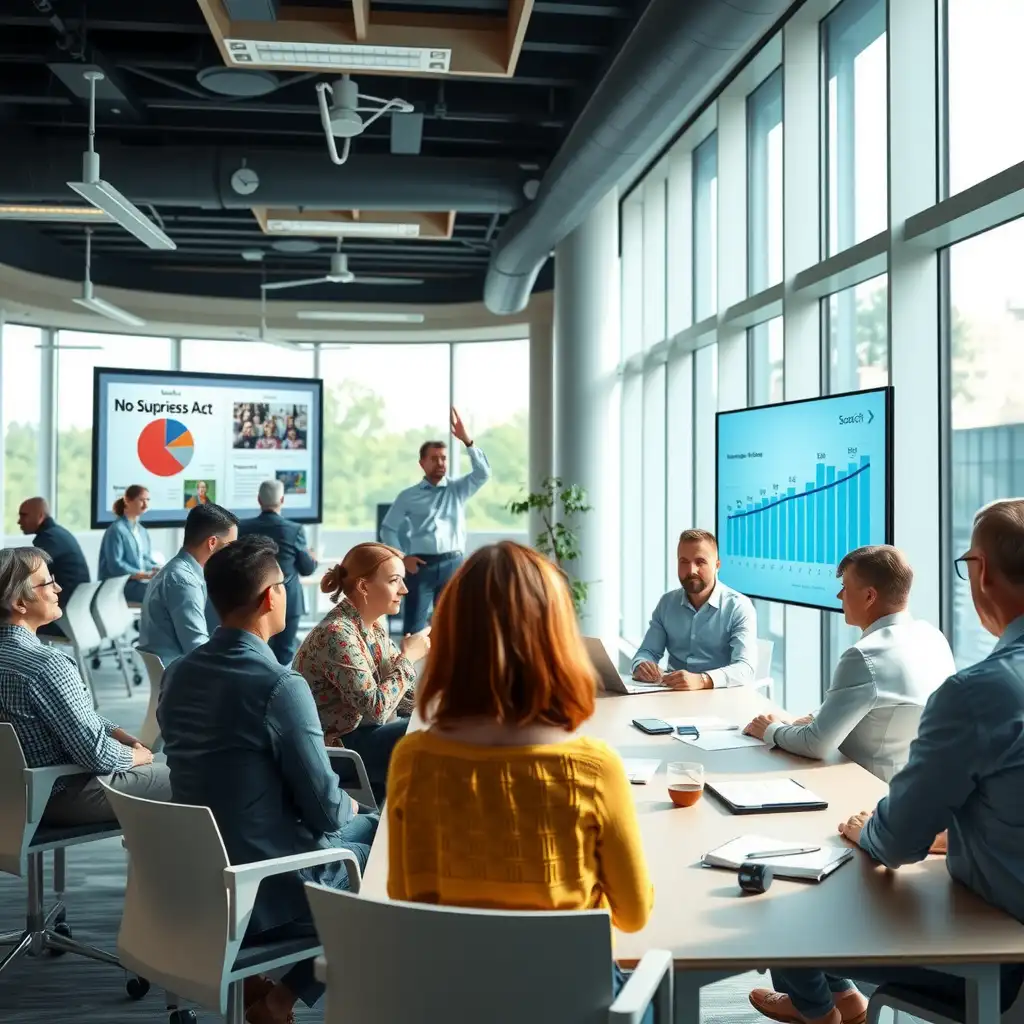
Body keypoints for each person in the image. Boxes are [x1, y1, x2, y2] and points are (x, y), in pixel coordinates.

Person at [749, 498, 1024, 1024]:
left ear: (983, 572)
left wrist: (868, 831)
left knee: (779, 904)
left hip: (995, 952)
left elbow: (895, 845)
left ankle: (818, 1010)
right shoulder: (939, 643)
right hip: (1001, 926)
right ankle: (844, 1000)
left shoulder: (980, 691)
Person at [387, 541, 653, 1008]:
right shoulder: (594, 768)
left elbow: (406, 901)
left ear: (452, 638)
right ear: (554, 639)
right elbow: (633, 915)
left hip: (452, 1003)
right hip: (569, 1002)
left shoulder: (413, 760)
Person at [158, 536, 377, 1024]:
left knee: (369, 825)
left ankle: (257, 981)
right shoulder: (280, 684)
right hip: (266, 884)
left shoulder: (177, 674)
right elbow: (323, 810)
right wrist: (354, 811)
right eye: (284, 584)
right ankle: (281, 1002)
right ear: (269, 598)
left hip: (196, 871)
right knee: (390, 845)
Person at [743, 545, 955, 781]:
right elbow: (879, 703)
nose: (839, 596)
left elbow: (816, 745)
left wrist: (770, 730)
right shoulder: (933, 637)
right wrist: (815, 718)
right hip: (915, 785)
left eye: (844, 587)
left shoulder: (864, 655)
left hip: (864, 788)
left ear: (869, 596)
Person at [0, 547, 170, 826]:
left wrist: (112, 730)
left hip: (11, 799)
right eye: (47, 583)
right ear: (20, 602)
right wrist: (137, 756)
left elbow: (62, 716)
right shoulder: (47, 665)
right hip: (60, 795)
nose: (58, 587)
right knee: (191, 780)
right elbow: (97, 755)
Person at [294, 543, 430, 804]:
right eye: (395, 581)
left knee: (431, 726)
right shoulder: (337, 634)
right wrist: (409, 658)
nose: (405, 589)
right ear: (364, 586)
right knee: (422, 738)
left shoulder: (373, 629)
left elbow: (404, 702)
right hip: (336, 751)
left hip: (359, 739)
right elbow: (377, 709)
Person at [380, 406, 491, 635]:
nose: (440, 463)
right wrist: (403, 558)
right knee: (415, 629)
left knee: (453, 625)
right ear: (422, 463)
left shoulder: (458, 489)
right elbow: (388, 529)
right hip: (421, 566)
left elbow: (483, 474)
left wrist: (467, 441)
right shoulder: (408, 496)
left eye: (443, 458)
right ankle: (412, 670)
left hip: (454, 563)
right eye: (434, 459)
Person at [632, 528, 758, 690]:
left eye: (700, 562)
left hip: (720, 695)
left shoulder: (738, 607)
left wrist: (702, 680)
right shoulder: (667, 603)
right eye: (684, 562)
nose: (691, 570)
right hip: (672, 695)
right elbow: (647, 651)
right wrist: (641, 665)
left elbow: (745, 668)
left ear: (717, 566)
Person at [139, 503, 238, 668]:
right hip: (182, 677)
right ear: (212, 542)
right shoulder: (184, 581)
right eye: (230, 546)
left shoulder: (174, 571)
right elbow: (197, 648)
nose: (232, 554)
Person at [237, 479, 317, 665]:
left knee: (255, 649)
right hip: (287, 600)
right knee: (284, 654)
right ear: (282, 500)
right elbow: (307, 569)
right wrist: (313, 558)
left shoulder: (243, 527)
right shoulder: (294, 530)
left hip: (252, 599)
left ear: (259, 500)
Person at [17, 496, 90, 638]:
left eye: (24, 515)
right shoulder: (59, 534)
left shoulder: (49, 538)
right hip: (75, 619)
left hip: (60, 621)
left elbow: (27, 571)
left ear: (40, 516)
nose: (19, 521)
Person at [98, 485, 159, 603]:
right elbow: (115, 566)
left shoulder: (142, 531)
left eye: (148, 500)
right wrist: (142, 575)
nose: (146, 504)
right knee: (164, 592)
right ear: (127, 501)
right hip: (121, 586)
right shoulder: (116, 530)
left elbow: (144, 559)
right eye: (141, 500)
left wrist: (158, 568)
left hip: (137, 583)